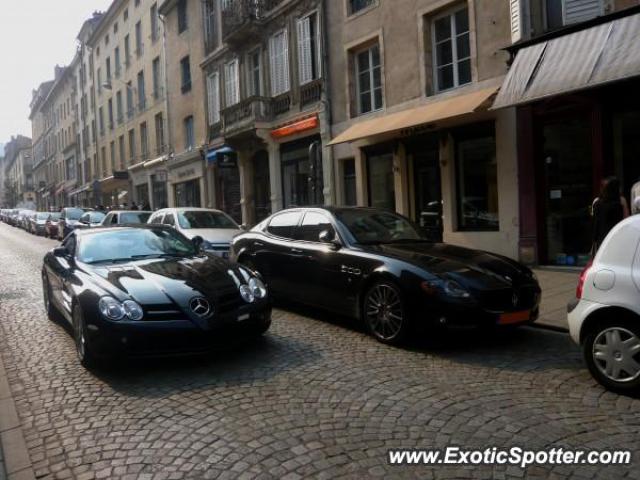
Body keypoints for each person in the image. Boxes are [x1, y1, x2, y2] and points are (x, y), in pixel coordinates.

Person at [592, 177, 627, 254]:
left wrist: (594, 241)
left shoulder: (597, 203)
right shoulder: (621, 202)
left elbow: (595, 224)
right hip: (617, 237)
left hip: (602, 238)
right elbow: (626, 219)